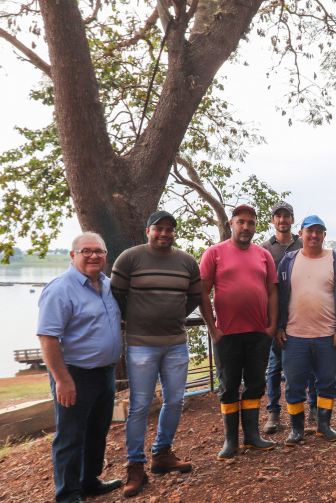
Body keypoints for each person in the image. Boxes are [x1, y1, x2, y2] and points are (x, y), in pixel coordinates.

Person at [111, 211, 201, 497]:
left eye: (169, 229)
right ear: (148, 231)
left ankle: (161, 454)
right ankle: (135, 465)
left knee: (175, 400)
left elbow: (196, 296)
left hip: (176, 343)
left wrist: (174, 317)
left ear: (175, 232)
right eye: (158, 229)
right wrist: (137, 320)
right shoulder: (130, 258)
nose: (164, 233)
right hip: (140, 344)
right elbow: (116, 295)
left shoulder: (187, 261)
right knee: (139, 406)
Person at [37, 233, 123, 503]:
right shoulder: (60, 289)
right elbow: (48, 337)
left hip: (105, 373)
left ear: (105, 256)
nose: (93, 255)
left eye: (99, 251)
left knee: (98, 430)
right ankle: (68, 494)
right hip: (74, 375)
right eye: (86, 250)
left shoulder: (108, 285)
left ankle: (89, 481)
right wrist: (62, 380)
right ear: (73, 255)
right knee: (71, 436)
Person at [199, 204, 278, 460]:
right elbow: (202, 292)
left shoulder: (263, 255)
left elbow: (273, 291)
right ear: (231, 224)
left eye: (251, 223)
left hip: (258, 332)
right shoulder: (213, 253)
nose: (246, 227)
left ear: (256, 226)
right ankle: (230, 441)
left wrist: (272, 326)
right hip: (227, 334)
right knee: (229, 385)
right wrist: (213, 328)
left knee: (255, 383)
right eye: (241, 222)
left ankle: (252, 436)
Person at [276, 215, 336, 444]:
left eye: (319, 231)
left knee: (327, 381)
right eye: (309, 231)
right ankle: (296, 429)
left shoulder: (335, 260)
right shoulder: (288, 261)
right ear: (300, 233)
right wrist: (279, 327)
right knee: (293, 384)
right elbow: (279, 296)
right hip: (294, 336)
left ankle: (324, 426)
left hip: (327, 336)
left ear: (324, 236)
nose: (314, 235)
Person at [259, 201, 307, 435]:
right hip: (275, 316)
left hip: (303, 314)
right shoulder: (264, 249)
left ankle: (313, 410)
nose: (282, 220)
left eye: (286, 216)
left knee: (306, 365)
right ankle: (274, 412)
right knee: (275, 365)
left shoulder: (303, 243)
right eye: (278, 216)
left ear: (292, 220)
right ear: (272, 220)